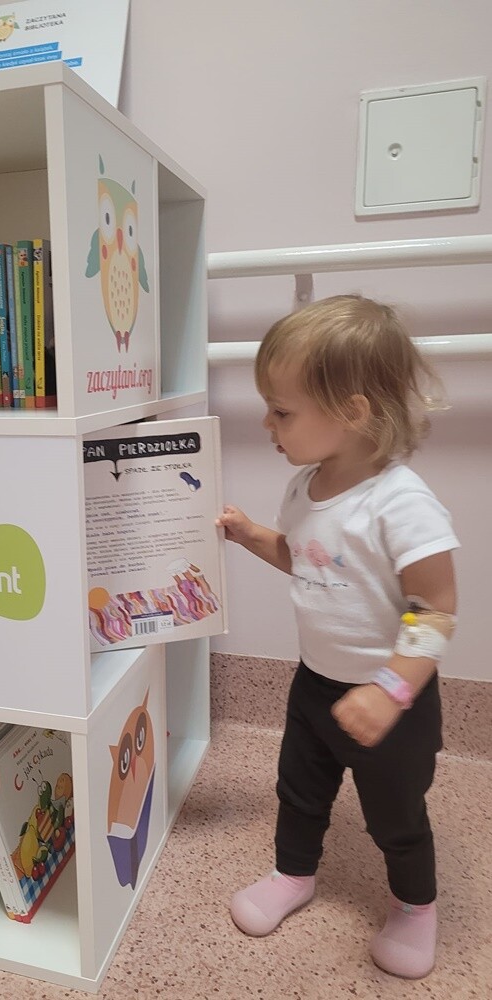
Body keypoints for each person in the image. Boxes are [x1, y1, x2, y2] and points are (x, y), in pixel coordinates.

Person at [217, 295, 459, 980]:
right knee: (298, 791)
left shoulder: (401, 503)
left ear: (351, 412)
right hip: (315, 684)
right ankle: (293, 875)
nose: (267, 424)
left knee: (396, 817)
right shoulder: (305, 487)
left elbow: (436, 610)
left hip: (393, 703)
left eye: (281, 411)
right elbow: (306, 557)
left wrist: (389, 692)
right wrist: (253, 535)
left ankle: (414, 907)